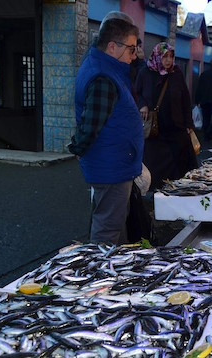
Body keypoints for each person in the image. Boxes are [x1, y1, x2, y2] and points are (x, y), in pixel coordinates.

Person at [68, 18, 142, 245]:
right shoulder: (103, 77)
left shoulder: (106, 68)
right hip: (111, 166)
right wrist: (77, 148)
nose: (135, 54)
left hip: (115, 163)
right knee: (107, 229)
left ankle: (116, 271)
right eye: (131, 48)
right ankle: (99, 276)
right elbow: (91, 124)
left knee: (114, 224)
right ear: (112, 46)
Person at [135, 42, 199, 191]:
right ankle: (157, 193)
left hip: (176, 126)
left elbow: (185, 99)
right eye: (165, 57)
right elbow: (136, 92)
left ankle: (179, 190)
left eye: (171, 56)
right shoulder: (145, 72)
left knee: (180, 161)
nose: (168, 60)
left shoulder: (176, 73)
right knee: (155, 163)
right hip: (155, 129)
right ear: (157, 56)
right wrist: (142, 104)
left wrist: (189, 124)